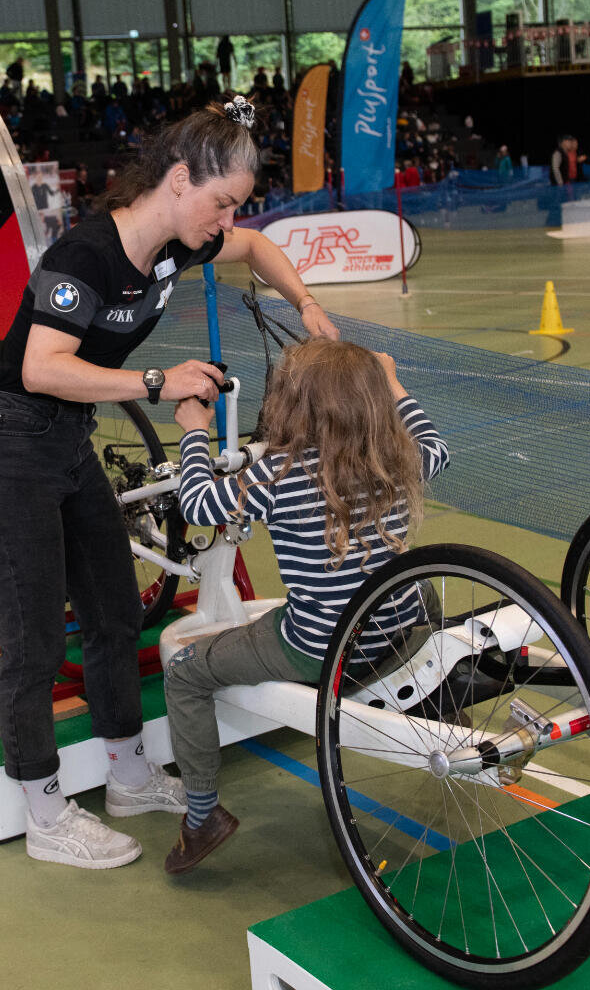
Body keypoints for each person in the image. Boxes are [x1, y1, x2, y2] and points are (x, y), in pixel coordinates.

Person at [0, 96, 340, 870]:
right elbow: (41, 367)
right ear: (180, 179)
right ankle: (45, 813)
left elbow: (256, 247)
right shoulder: (85, 256)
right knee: (33, 642)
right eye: (221, 201)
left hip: (66, 442)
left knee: (116, 613)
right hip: (5, 451)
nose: (226, 220)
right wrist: (157, 381)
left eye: (234, 205)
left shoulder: (175, 246)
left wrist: (307, 304)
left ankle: (127, 776)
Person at [160, 338, 447, 873]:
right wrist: (393, 381)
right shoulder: (398, 456)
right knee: (418, 587)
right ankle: (437, 690)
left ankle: (201, 817)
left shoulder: (279, 473)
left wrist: (195, 432)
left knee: (184, 673)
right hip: (396, 627)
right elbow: (437, 445)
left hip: (320, 647)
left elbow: (197, 502)